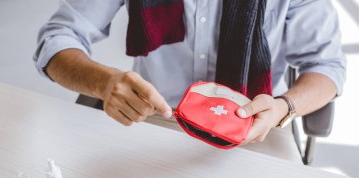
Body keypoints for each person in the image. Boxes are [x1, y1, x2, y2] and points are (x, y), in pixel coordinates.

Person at [34, 0, 346, 162]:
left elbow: (327, 65)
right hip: (153, 115)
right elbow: (56, 39)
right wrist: (102, 82)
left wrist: (284, 107)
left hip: (256, 124)